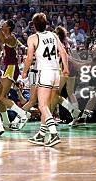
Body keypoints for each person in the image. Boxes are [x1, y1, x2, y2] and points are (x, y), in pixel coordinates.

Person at [21, 13, 69, 147]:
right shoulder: (53, 35)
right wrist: (65, 69)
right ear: (46, 24)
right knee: (46, 106)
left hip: (45, 73)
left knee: (42, 105)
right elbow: (63, 52)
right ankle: (41, 134)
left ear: (34, 25)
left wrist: (24, 72)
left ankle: (53, 134)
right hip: (56, 73)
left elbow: (29, 58)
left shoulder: (33, 38)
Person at [0, 19, 27, 130]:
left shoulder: (12, 38)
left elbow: (2, 39)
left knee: (3, 97)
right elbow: (0, 36)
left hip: (12, 68)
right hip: (7, 68)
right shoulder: (7, 36)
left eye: (4, 24)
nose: (2, 25)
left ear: (8, 27)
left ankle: (23, 114)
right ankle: (6, 123)